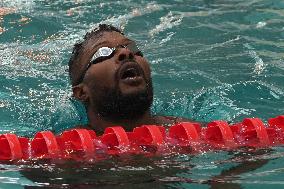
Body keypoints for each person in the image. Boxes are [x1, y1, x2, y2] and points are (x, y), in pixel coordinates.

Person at [68, 24, 193, 133]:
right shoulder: (64, 152)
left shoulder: (193, 132)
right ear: (81, 92)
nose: (126, 53)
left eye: (132, 47)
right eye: (103, 52)